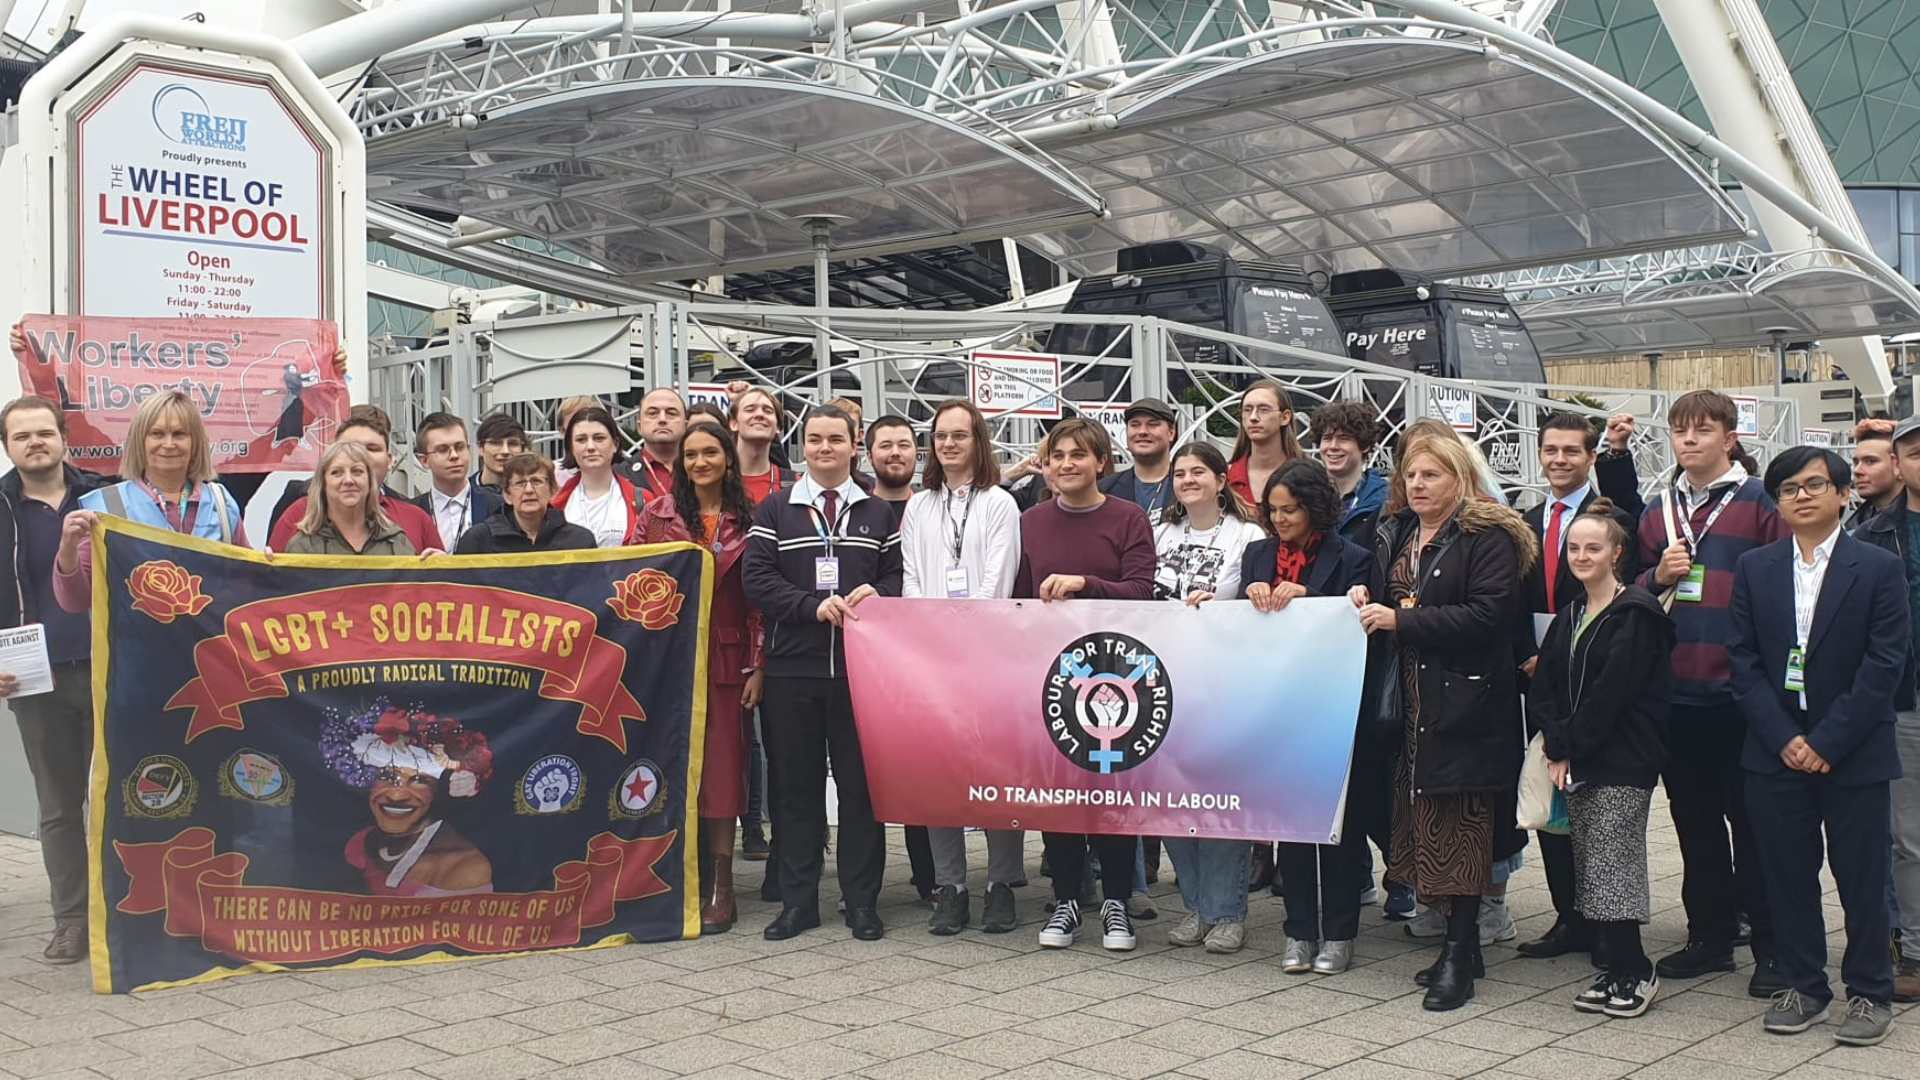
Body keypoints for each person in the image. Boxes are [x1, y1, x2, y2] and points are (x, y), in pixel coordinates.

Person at [1730, 446, 1907, 1045]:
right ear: (1777, 503)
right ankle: (1804, 985)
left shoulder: (1877, 567)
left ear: (1841, 494)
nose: (1801, 496)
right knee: (1786, 875)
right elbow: (1743, 660)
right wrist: (1785, 738)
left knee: (1861, 876)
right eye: (1788, 489)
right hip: (1775, 749)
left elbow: (1886, 663)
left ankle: (1869, 991)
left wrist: (1827, 740)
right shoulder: (1756, 568)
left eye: (1814, 485)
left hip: (1853, 749)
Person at [1354, 435, 1536, 1011]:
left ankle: (1460, 953)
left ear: (1458, 478)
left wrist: (1401, 621)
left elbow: (1489, 615)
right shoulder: (1404, 532)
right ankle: (1459, 946)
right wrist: (1367, 595)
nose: (1419, 486)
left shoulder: (1489, 535)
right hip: (1412, 705)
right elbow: (1392, 598)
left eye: (1432, 475)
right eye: (1412, 476)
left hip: (1465, 704)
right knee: (1425, 822)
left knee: (1461, 825)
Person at [1637, 389, 1787, 994]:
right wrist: (1656, 574)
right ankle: (1709, 938)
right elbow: (1629, 589)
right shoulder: (1657, 509)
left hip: (1741, 695)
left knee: (1754, 824)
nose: (1689, 440)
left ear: (1730, 438)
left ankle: (1773, 949)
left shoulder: (1761, 502)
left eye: (1703, 430)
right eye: (1680, 431)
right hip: (1677, 693)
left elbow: (1783, 585)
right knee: (1693, 822)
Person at [743, 405, 902, 942]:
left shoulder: (878, 513)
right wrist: (810, 605)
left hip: (861, 677)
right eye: (815, 439)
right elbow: (757, 580)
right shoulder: (775, 509)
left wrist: (880, 595)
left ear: (854, 444)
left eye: (836, 439)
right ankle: (798, 902)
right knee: (794, 791)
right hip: (792, 672)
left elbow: (899, 576)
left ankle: (861, 902)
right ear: (803, 445)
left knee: (861, 791)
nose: (825, 448)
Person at [1015, 417, 1157, 952]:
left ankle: (1117, 901)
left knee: (1111, 788)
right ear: (1045, 466)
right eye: (1057, 456)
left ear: (1101, 462)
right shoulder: (1029, 521)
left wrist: (1085, 585)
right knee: (1060, 791)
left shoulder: (1128, 517)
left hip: (1115, 673)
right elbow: (1018, 597)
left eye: (1078, 454)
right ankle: (1068, 897)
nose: (1066, 464)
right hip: (1052, 676)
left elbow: (1143, 590)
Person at [1530, 498, 1673, 1019]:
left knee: (1613, 863)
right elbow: (1543, 685)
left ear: (1617, 553)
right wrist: (1554, 741)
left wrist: (1567, 745)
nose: (1582, 555)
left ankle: (1636, 968)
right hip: (1573, 755)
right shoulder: (1571, 612)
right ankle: (1613, 967)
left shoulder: (1635, 612)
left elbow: (1613, 694)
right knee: (1590, 862)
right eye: (1574, 547)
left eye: (1594, 547)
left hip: (1621, 758)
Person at [1515, 413, 1643, 963]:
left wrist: (1620, 455)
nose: (1559, 460)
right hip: (1534, 669)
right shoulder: (1525, 518)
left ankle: (1603, 922)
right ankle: (1567, 914)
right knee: (1550, 799)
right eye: (1551, 450)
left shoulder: (1609, 515)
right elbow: (1514, 594)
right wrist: (1526, 652)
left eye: (1572, 451)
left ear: (1591, 457)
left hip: (1591, 664)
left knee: (1594, 801)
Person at [1244, 460, 1376, 970]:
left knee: (1338, 830)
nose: (1280, 520)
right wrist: (1245, 595)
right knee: (1291, 830)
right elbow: (1233, 624)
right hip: (1277, 710)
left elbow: (1363, 621)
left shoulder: (1354, 557)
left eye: (1291, 510)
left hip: (1335, 708)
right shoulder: (1257, 555)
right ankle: (1298, 930)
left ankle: (1340, 933)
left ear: (1316, 508)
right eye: (1274, 510)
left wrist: (1312, 598)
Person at [900, 400, 1024, 935]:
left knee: (994, 771)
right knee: (938, 774)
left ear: (979, 442)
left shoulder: (1000, 503)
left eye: (960, 435)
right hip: (930, 660)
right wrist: (928, 635)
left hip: (987, 656)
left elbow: (998, 577)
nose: (948, 444)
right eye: (941, 436)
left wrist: (961, 631)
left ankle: (1001, 884)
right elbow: (910, 577)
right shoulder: (917, 506)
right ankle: (950, 886)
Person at [637, 425, 764, 934]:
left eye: (710, 451)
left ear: (728, 459)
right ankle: (677, 873)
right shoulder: (655, 517)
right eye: (691, 454)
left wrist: (760, 664)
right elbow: (630, 585)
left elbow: (760, 600)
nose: (700, 461)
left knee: (723, 773)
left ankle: (722, 884)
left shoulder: (752, 520)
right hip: (669, 662)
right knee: (671, 766)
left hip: (729, 660)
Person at [0, 396, 102, 963]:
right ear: (8, 447)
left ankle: (124, 912)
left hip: (115, 667)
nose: (35, 442)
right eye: (22, 436)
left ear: (64, 437)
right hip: (35, 680)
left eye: (44, 432)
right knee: (59, 805)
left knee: (122, 800)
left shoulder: (108, 496)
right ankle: (71, 921)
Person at [54, 390, 248, 612]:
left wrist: (270, 567)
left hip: (210, 644)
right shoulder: (107, 506)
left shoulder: (221, 503)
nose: (168, 443)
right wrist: (68, 550)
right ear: (140, 441)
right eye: (157, 434)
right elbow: (75, 603)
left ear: (195, 442)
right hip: (135, 645)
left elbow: (246, 584)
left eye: (179, 434)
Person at [861, 413, 934, 898]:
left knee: (927, 768)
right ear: (868, 455)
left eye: (904, 445)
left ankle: (931, 877)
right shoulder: (857, 512)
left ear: (916, 454)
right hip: (872, 662)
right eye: (884, 446)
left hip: (929, 661)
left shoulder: (930, 509)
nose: (894, 453)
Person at [326, 705, 494, 896]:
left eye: (419, 780)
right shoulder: (359, 842)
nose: (396, 795)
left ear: (441, 790)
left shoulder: (466, 868)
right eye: (387, 776)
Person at [1867, 418, 1920, 1002]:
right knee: (1908, 834)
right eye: (1915, 453)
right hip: (1905, 698)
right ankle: (1913, 949)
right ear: (1899, 463)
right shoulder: (1877, 535)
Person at [268, 406, 442, 553]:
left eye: (372, 448)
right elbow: (273, 584)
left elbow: (440, 588)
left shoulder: (416, 517)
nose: (360, 456)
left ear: (390, 460)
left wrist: (441, 568)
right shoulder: (296, 514)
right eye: (350, 448)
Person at [283, 442, 418, 556]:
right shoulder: (303, 548)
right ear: (323, 484)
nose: (348, 480)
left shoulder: (398, 543)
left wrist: (435, 567)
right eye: (336, 473)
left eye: (357, 471)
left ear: (370, 482)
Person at [452, 454, 596, 553]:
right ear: (507, 495)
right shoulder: (479, 540)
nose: (528, 490)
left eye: (536, 481)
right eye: (520, 483)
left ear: (552, 490)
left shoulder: (580, 541)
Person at [553, 406, 645, 548]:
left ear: (615, 444)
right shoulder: (553, 505)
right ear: (571, 447)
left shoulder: (643, 501)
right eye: (581, 439)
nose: (590, 446)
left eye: (599, 438)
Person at [411, 412, 502, 548]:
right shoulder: (411, 513)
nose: (454, 455)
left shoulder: (499, 506)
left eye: (460, 447)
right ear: (424, 460)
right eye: (442, 450)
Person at [1308, 400, 1388, 548]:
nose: (1333, 446)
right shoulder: (1306, 495)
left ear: (1364, 446)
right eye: (1327, 438)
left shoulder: (1386, 500)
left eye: (1343, 439)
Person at [1102, 398, 1179, 524]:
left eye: (1153, 424)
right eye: (1135, 425)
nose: (1142, 431)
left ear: (1171, 433)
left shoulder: (1189, 485)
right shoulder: (1105, 490)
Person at [1226, 380, 1302, 506]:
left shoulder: (1307, 476)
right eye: (1247, 410)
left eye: (1264, 409)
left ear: (1285, 417)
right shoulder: (1225, 477)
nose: (1253, 417)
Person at [732, 387, 795, 505]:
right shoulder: (716, 483)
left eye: (768, 411)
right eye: (750, 409)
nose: (760, 414)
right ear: (734, 423)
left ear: (778, 427)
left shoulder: (797, 485)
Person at [625, 387, 686, 500]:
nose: (662, 419)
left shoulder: (701, 469)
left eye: (671, 413)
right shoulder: (620, 474)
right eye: (653, 413)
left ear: (685, 425)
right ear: (639, 426)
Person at [1847, 418, 1899, 532]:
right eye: (1856, 462)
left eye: (1870, 461)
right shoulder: (1855, 529)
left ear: (1898, 465)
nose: (1857, 470)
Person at [473, 412, 528, 494]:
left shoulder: (532, 492)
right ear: (481, 448)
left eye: (513, 443)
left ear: (523, 449)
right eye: (496, 443)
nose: (505, 451)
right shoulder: (462, 492)